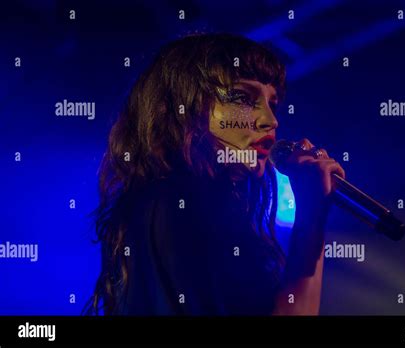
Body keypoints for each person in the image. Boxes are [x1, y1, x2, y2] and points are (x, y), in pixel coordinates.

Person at [84, 32, 345, 315]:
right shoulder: (185, 202)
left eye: (273, 103)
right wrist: (311, 218)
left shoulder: (151, 203)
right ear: (187, 107)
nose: (271, 120)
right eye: (243, 98)